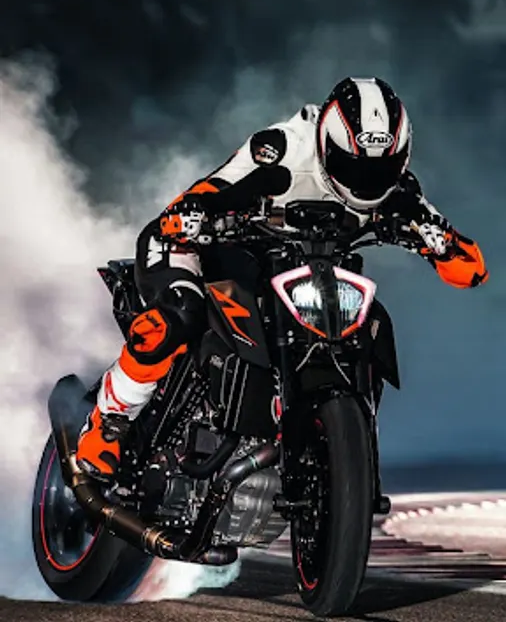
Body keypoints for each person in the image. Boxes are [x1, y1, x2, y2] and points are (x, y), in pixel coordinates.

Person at [77, 77, 488, 480]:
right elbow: (203, 194)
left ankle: (341, 452)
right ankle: (108, 425)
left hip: (301, 269)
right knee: (181, 313)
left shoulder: (400, 191)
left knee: (370, 321)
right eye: (353, 165)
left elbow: (471, 270)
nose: (366, 180)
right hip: (193, 245)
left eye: (380, 169)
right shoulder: (281, 150)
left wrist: (441, 243)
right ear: (326, 143)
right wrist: (197, 212)